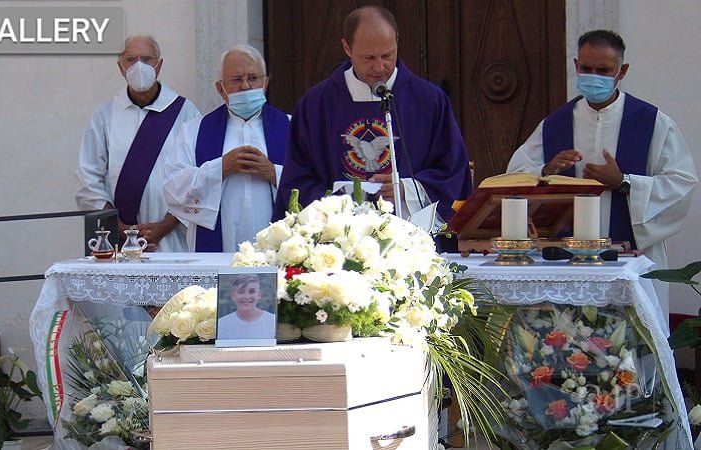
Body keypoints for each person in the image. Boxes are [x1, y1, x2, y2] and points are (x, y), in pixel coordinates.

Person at [507, 30, 698, 322]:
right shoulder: (556, 124)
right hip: (567, 262)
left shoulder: (651, 122)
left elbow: (681, 183)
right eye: (587, 68)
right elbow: (513, 178)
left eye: (604, 70)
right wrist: (546, 171)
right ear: (576, 66)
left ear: (622, 71)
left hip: (630, 259)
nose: (594, 77)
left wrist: (624, 182)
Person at [273, 6, 472, 222]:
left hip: (411, 232)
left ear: (397, 41)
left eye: (387, 55)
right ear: (347, 48)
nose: (379, 67)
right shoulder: (315, 105)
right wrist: (338, 201)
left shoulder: (429, 100)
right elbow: (297, 179)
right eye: (368, 58)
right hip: (339, 235)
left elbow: (452, 172)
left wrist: (405, 189)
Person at [75, 35, 200, 252]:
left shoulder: (185, 112)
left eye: (147, 59)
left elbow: (200, 176)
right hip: (119, 241)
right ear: (121, 67)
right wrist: (117, 226)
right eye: (131, 59)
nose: (139, 66)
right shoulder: (105, 115)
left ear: (159, 65)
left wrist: (166, 225)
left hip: (173, 239)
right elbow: (87, 176)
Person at [163, 44, 289, 252]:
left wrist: (273, 172)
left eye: (253, 78)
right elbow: (173, 189)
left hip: (277, 250)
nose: (245, 86)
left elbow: (314, 185)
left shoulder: (293, 128)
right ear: (220, 88)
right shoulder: (194, 131)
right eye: (236, 79)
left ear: (265, 82)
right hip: (216, 251)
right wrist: (220, 168)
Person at [216, 274, 276, 340]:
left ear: (259, 294)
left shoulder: (273, 321)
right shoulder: (221, 324)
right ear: (233, 295)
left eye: (252, 291)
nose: (246, 296)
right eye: (241, 292)